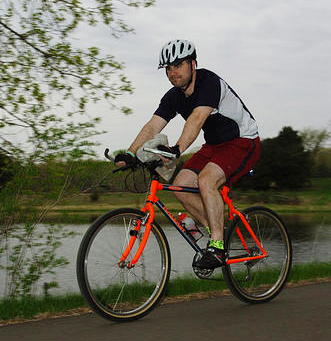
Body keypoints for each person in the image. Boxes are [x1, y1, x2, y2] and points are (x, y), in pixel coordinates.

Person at [115, 39, 260, 269]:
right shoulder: (173, 96)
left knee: (206, 180)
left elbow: (196, 119)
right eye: (168, 68)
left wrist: (177, 149)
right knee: (181, 185)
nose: (173, 73)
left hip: (243, 141)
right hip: (214, 146)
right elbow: (153, 126)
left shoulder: (209, 82)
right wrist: (130, 153)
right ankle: (218, 235)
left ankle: (218, 246)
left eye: (178, 65)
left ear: (193, 64)